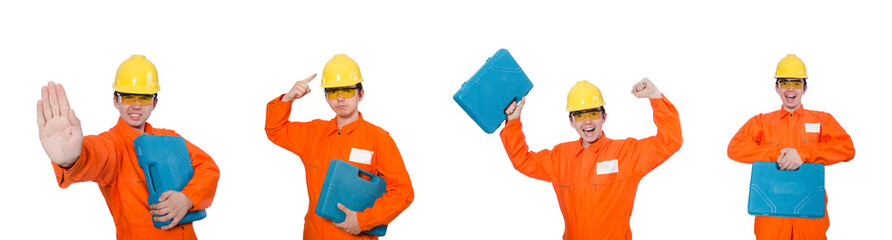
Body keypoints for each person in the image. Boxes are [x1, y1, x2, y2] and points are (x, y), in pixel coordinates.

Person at [36, 55, 220, 239]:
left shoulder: (171, 138)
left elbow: (208, 168)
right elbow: (96, 153)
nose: (136, 105)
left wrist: (188, 199)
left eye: (145, 98)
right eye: (129, 97)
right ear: (116, 101)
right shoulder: (113, 144)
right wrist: (70, 159)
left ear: (155, 103)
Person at [500, 78, 682, 239]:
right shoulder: (560, 157)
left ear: (604, 117)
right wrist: (513, 121)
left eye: (593, 114)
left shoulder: (627, 154)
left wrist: (656, 97)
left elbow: (669, 142)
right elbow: (522, 161)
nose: (587, 121)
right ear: (571, 122)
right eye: (579, 115)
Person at [265, 54, 414, 239]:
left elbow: (403, 192)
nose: (341, 98)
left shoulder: (378, 139)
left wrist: (362, 221)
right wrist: (288, 99)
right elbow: (275, 130)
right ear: (326, 98)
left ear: (361, 94)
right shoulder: (313, 133)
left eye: (348, 91)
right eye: (334, 92)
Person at [727, 54, 855, 240]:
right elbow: (735, 148)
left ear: (805, 88)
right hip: (772, 216)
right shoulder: (761, 122)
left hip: (810, 215)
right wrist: (776, 155)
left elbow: (847, 148)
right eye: (784, 83)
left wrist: (804, 154)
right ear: (776, 88)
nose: (790, 89)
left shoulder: (822, 120)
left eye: (796, 84)